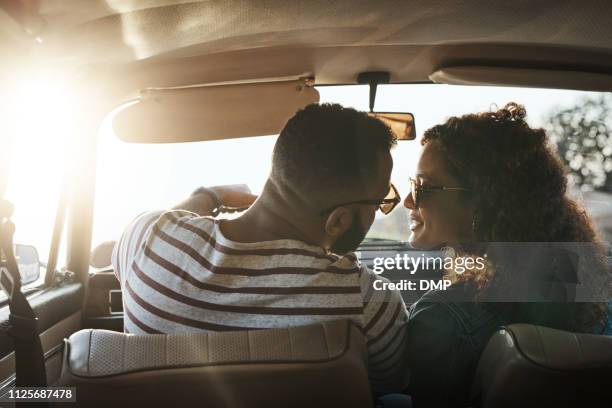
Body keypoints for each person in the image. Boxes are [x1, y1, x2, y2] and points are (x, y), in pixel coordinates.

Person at [111, 103, 409, 393]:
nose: (379, 211)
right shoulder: (366, 301)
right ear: (338, 221)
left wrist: (211, 195)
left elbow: (168, 221)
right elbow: (387, 387)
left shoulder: (150, 238)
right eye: (381, 201)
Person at [401, 102, 610, 407]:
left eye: (421, 187)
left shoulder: (440, 319)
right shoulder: (593, 290)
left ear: (480, 204)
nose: (408, 201)